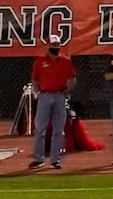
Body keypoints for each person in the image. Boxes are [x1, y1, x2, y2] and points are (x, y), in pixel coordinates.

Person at [28, 42, 77, 170]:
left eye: (57, 46)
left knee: (58, 129)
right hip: (45, 96)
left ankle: (55, 159)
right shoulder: (40, 62)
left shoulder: (65, 62)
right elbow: (34, 79)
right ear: (48, 47)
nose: (55, 49)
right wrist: (38, 92)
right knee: (40, 128)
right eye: (53, 46)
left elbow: (72, 78)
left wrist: (66, 91)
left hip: (59, 96)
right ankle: (39, 158)